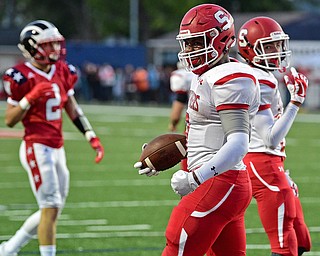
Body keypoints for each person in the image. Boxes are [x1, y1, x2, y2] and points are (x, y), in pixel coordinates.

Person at [135, 4, 260, 255]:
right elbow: (210, 133)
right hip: (226, 183)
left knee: (177, 244)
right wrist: (172, 151)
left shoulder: (230, 77)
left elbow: (238, 143)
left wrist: (195, 179)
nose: (190, 50)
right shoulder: (209, 73)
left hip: (219, 181)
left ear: (222, 39)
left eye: (197, 42)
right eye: (188, 43)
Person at [0, 20, 104, 256]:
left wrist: (90, 135)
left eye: (56, 44)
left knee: (53, 209)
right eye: (48, 45)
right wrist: (31, 97)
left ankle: (9, 249)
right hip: (36, 146)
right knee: (50, 206)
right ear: (32, 47)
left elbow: (71, 106)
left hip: (57, 147)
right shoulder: (20, 76)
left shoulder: (63, 71)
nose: (55, 50)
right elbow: (10, 120)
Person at [237, 16, 311, 255]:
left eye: (278, 45)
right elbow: (270, 137)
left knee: (300, 238)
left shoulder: (259, 77)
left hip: (266, 160)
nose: (276, 51)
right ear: (249, 49)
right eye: (268, 46)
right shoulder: (261, 81)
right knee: (284, 240)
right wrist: (296, 102)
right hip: (262, 159)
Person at [168, 61, 195, 171]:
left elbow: (179, 103)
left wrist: (173, 123)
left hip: (196, 125)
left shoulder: (184, 76)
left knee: (190, 164)